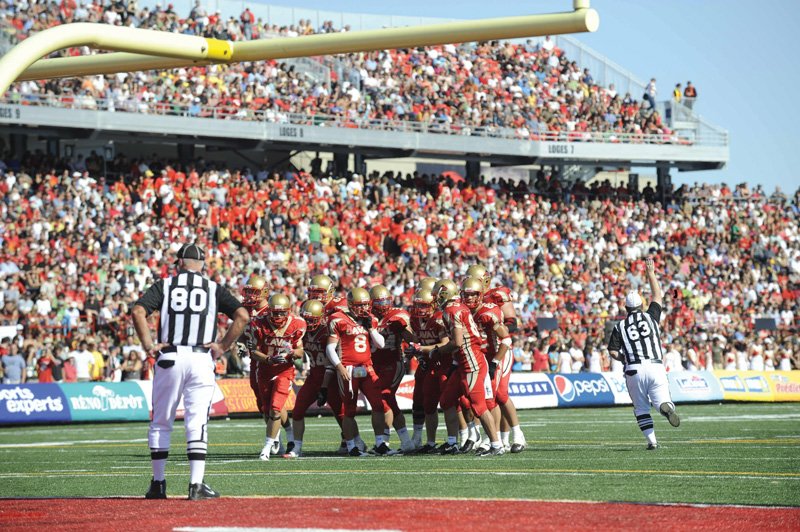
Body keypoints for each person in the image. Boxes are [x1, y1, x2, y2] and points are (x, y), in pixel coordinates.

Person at [131, 243, 249, 500]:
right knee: (197, 422)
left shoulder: (165, 285)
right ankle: (196, 484)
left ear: (181, 263)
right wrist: (222, 346)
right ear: (202, 265)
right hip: (200, 358)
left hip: (170, 356)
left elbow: (138, 311)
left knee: (161, 421)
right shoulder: (213, 288)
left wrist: (149, 345)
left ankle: (158, 484)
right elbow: (242, 315)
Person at [607, 257, 680, 451]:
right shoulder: (651, 317)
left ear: (625, 308)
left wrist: (625, 359)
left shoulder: (620, 326)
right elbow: (658, 295)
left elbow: (613, 352)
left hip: (634, 369)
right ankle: (666, 407)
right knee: (663, 400)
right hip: (656, 365)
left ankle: (652, 441)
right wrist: (650, 274)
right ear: (642, 305)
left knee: (641, 409)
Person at [432, 279, 503, 456]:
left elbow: (456, 342)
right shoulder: (460, 307)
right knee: (447, 400)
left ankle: (496, 445)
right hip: (464, 362)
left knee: (479, 406)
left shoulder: (452, 310)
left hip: (471, 362)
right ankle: (452, 443)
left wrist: (438, 351)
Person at [326, 288, 392, 456]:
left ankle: (380, 444)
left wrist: (371, 329)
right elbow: (330, 348)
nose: (363, 309)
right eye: (359, 306)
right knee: (349, 410)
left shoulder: (371, 320)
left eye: (365, 305)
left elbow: (381, 344)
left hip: (368, 367)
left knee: (378, 406)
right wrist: (339, 367)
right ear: (350, 305)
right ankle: (351, 447)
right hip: (349, 368)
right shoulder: (338, 319)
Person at [248, 294, 306, 461]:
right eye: (275, 313)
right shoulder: (259, 323)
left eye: (282, 313)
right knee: (268, 409)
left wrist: (292, 352)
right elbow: (255, 352)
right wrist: (268, 359)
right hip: (265, 370)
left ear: (288, 312)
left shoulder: (297, 324)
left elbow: (300, 352)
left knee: (275, 408)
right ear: (269, 312)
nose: (279, 316)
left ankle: (266, 448)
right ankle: (283, 440)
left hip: (284, 371)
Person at [369, 284, 418, 453]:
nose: (383, 305)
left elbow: (410, 336)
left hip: (393, 363)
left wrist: (415, 344)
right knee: (390, 402)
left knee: (384, 398)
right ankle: (406, 442)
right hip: (374, 365)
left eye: (385, 301)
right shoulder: (367, 316)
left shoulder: (397, 316)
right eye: (379, 302)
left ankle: (384, 442)